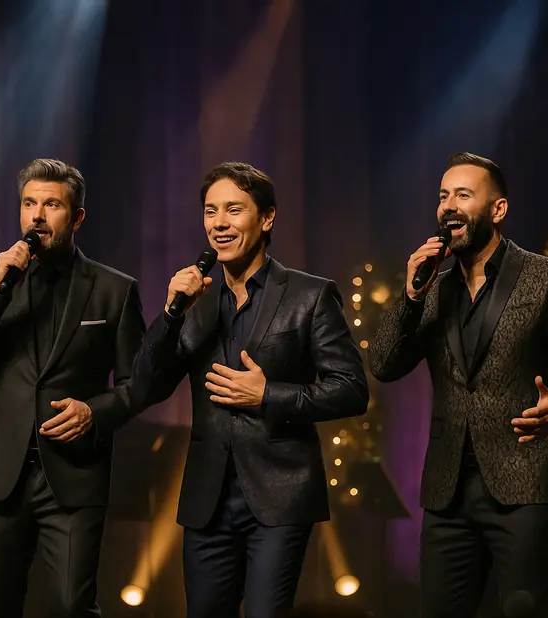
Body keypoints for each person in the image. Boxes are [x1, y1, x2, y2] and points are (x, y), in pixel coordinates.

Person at [368, 152, 548, 617]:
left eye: (462, 194)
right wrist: (411, 295)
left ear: (498, 210)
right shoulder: (433, 290)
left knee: (525, 608)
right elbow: (383, 364)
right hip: (447, 489)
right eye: (442, 196)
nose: (448, 206)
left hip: (525, 479)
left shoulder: (545, 277)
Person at [129, 162, 370, 618]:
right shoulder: (195, 300)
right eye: (210, 211)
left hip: (279, 497)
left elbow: (351, 390)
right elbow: (145, 385)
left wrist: (268, 395)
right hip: (207, 502)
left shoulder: (310, 295)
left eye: (233, 210)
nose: (219, 223)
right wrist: (170, 314)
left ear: (267, 217)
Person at [0, 158, 146, 617]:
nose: (37, 215)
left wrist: (96, 411)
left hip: (73, 472)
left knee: (73, 605)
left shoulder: (115, 289)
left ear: (77, 217)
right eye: (29, 203)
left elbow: (138, 384)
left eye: (51, 204)